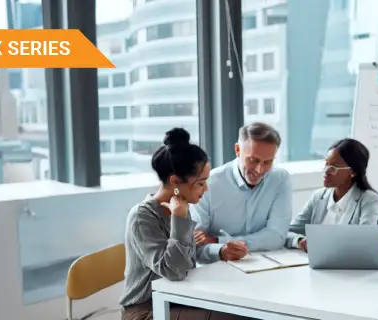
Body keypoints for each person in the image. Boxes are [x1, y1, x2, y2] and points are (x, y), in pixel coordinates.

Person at [120, 128, 248, 320]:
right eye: (200, 182)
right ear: (175, 182)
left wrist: (221, 252)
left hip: (178, 298)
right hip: (146, 309)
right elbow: (175, 271)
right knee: (236, 317)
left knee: (242, 307)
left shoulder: (181, 207)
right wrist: (179, 219)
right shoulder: (142, 217)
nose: (206, 188)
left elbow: (188, 257)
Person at [191, 122, 292, 263]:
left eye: (268, 162)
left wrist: (219, 240)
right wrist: (221, 251)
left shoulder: (280, 179)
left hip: (269, 266)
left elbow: (276, 236)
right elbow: (196, 243)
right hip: (219, 269)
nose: (259, 170)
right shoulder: (208, 183)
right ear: (238, 150)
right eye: (253, 160)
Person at [285, 138, 378, 251]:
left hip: (348, 266)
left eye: (333, 167)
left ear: (353, 172)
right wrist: (300, 241)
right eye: (326, 164)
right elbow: (287, 232)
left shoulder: (369, 200)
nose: (326, 171)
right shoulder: (318, 197)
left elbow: (365, 240)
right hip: (315, 264)